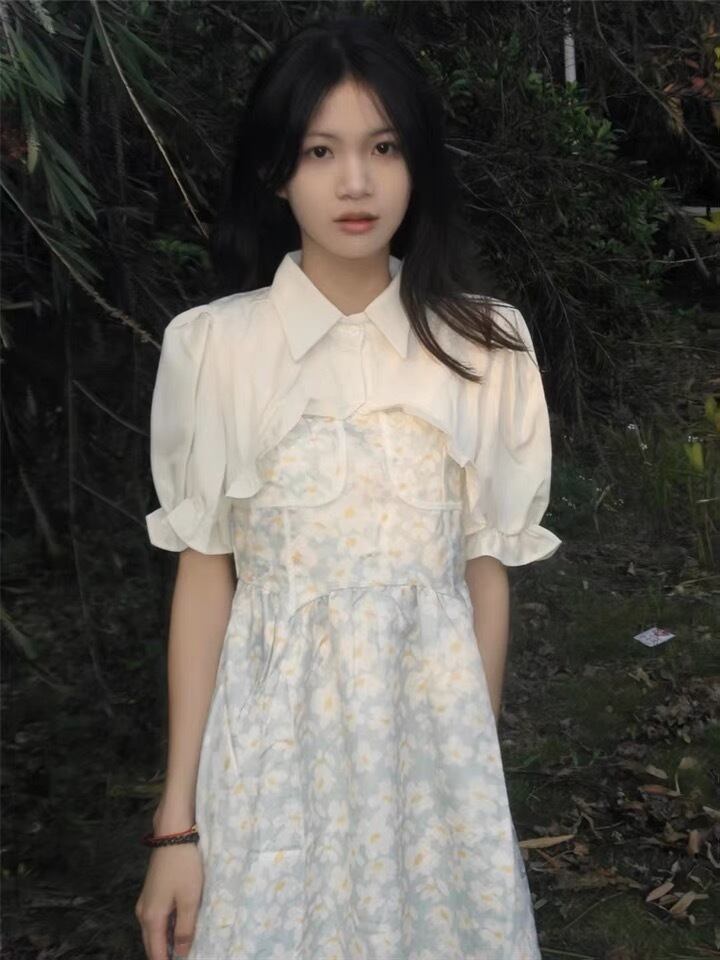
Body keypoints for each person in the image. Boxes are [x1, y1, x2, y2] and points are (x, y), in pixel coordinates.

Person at [135, 14, 561, 960]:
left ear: (418, 166)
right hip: (269, 765)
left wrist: (471, 766)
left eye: (384, 148)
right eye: (321, 151)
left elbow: (483, 571)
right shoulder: (215, 349)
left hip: (434, 763)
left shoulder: (487, 346)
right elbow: (205, 579)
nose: (356, 183)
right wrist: (177, 826)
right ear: (276, 170)